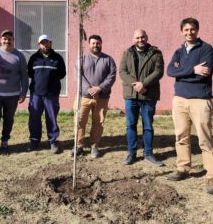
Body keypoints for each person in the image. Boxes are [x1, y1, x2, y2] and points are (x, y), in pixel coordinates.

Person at [166, 18, 213, 195]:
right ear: (181, 31)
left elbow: (204, 74)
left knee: (205, 138)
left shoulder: (206, 49)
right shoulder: (178, 51)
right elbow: (170, 71)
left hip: (200, 100)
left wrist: (182, 71)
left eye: (192, 29)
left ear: (197, 30)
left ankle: (211, 175)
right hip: (179, 100)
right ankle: (183, 168)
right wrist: (192, 69)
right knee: (181, 136)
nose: (189, 32)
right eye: (186, 30)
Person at [119, 29, 164, 166]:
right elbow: (122, 71)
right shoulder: (127, 53)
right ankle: (131, 153)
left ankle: (148, 153)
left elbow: (159, 71)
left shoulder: (156, 53)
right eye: (137, 38)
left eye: (142, 37)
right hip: (131, 95)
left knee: (148, 126)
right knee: (130, 125)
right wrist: (136, 85)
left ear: (147, 37)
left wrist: (143, 84)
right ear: (133, 39)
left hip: (148, 95)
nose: (140, 40)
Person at [70, 34, 116, 158]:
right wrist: (89, 89)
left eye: (98, 43)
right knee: (79, 121)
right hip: (84, 97)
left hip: (102, 97)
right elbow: (78, 76)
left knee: (98, 122)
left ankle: (94, 146)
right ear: (89, 45)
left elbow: (111, 76)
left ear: (101, 44)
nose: (96, 45)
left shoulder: (108, 60)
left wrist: (99, 88)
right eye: (93, 43)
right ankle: (78, 146)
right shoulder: (82, 59)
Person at [0, 30, 28, 156]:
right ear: (0, 40)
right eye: (4, 39)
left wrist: (23, 92)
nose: (7, 41)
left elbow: (24, 76)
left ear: (13, 40)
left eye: (9, 39)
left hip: (12, 94)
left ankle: (4, 141)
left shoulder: (19, 56)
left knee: (8, 119)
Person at [27, 34, 66, 153]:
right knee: (34, 118)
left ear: (51, 43)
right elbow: (30, 73)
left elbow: (62, 74)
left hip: (51, 94)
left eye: (47, 42)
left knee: (51, 118)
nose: (45, 44)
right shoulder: (34, 58)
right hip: (36, 94)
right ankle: (34, 141)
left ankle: (53, 141)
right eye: (42, 43)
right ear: (39, 44)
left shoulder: (58, 58)